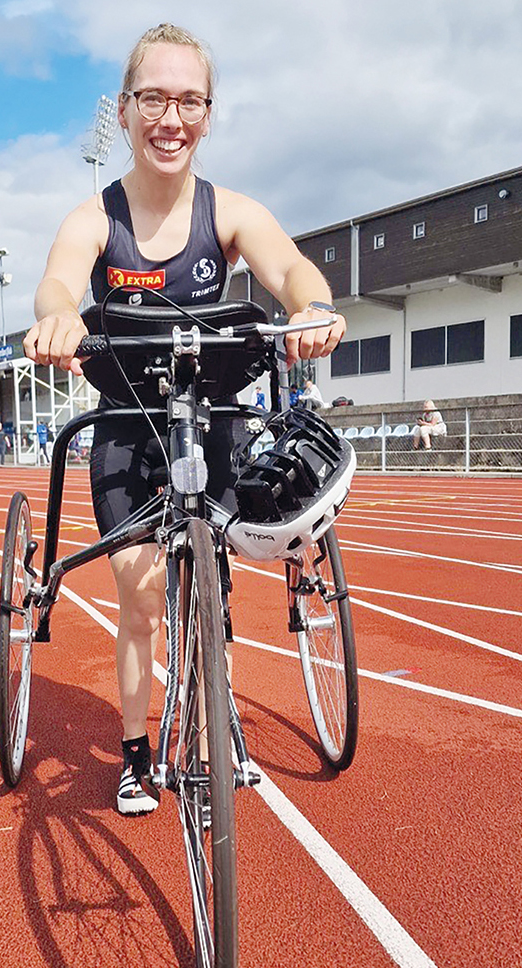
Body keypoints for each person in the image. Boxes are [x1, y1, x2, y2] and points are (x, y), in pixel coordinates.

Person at [23, 23, 346, 816]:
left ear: (208, 114)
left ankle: (213, 731)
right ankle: (135, 754)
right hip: (130, 426)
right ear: (126, 111)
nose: (172, 118)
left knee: (215, 580)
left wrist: (312, 303)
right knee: (138, 596)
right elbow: (57, 286)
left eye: (189, 101)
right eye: (155, 99)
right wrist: (59, 320)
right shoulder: (94, 219)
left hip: (216, 421)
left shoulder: (229, 212)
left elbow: (290, 266)